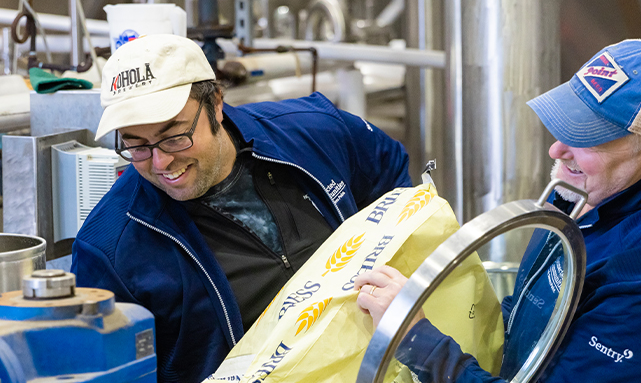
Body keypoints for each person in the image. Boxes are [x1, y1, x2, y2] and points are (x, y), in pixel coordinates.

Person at [355, 39, 641, 382]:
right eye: (566, 123)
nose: (557, 150)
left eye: (587, 137)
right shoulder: (591, 191)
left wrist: (417, 340)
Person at [70, 34, 411, 382]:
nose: (161, 162)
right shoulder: (108, 252)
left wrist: (392, 281)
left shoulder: (312, 131)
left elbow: (393, 173)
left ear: (215, 103)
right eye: (137, 144)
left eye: (174, 136)